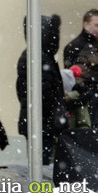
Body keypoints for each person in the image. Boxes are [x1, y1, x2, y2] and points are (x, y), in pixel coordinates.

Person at [16, 15, 66, 165]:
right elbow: (43, 93)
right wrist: (57, 108)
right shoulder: (39, 57)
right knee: (41, 163)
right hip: (41, 121)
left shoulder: (39, 56)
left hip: (39, 120)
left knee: (40, 162)